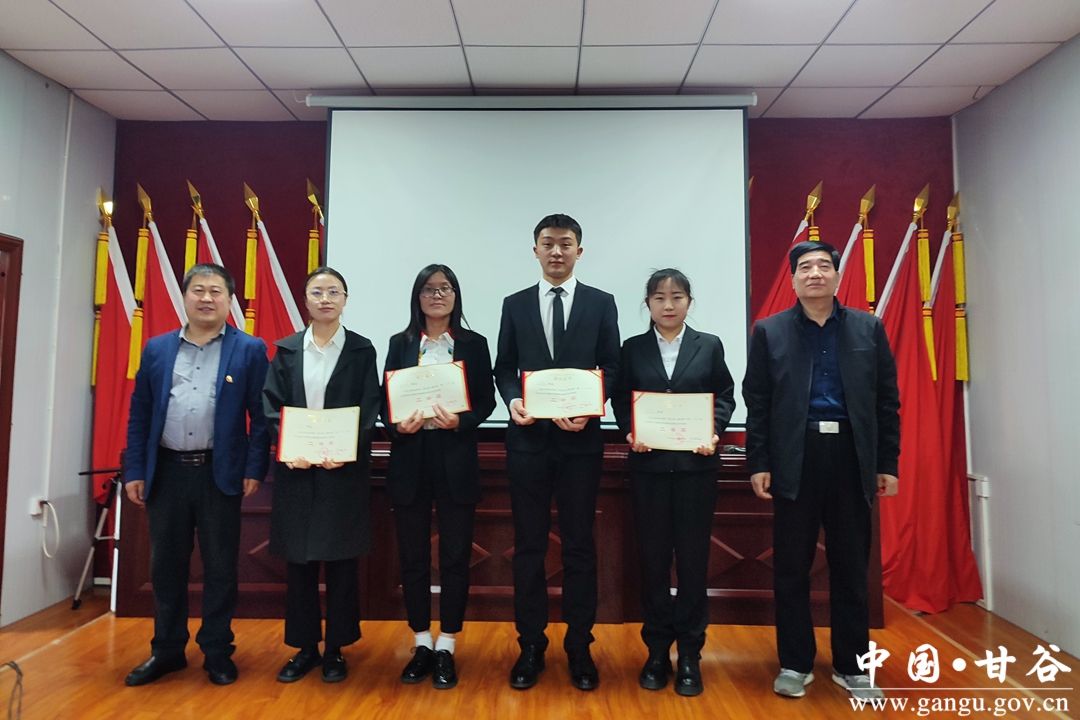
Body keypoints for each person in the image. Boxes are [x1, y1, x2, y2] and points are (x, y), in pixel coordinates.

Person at [742, 241, 900, 701]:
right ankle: (795, 663)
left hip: (852, 456)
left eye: (824, 266)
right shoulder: (769, 331)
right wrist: (759, 462)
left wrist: (886, 463)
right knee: (791, 566)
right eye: (805, 267)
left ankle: (853, 666)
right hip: (796, 455)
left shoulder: (868, 328)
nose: (815, 273)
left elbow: (886, 402)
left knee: (851, 566)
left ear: (837, 276)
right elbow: (758, 404)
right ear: (793, 279)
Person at [123, 263, 270, 687]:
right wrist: (135, 469)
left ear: (230, 300)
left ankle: (217, 651)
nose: (207, 298)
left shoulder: (249, 349)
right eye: (198, 290)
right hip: (166, 472)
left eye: (216, 291)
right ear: (185, 297)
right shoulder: (156, 348)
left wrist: (254, 468)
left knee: (220, 567)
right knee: (166, 567)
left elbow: (261, 417)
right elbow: (140, 413)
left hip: (218, 474)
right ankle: (167, 650)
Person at [493, 213, 620, 691]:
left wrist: (592, 406)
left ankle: (579, 647)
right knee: (528, 547)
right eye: (548, 243)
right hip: (528, 443)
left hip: (580, 443)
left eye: (565, 244)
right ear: (536, 251)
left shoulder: (601, 303)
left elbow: (611, 365)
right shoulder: (515, 304)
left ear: (579, 251)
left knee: (580, 546)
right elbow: (505, 367)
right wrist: (513, 401)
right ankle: (530, 646)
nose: (556, 251)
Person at [612, 269, 735, 697]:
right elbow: (621, 398)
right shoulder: (632, 348)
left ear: (689, 302)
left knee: (693, 564)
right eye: (660, 297)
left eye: (677, 296)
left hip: (695, 472)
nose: (668, 304)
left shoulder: (709, 345)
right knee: (653, 563)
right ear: (647, 303)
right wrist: (631, 430)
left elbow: (724, 395)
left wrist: (713, 432)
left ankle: (690, 655)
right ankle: (657, 652)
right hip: (648, 470)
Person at [262, 267, 380, 684]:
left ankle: (336, 650)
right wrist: (289, 447)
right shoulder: (287, 350)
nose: (325, 298)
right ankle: (305, 648)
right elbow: (271, 406)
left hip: (342, 472)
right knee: (300, 565)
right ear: (306, 300)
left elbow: (369, 407)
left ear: (345, 299)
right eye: (317, 292)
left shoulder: (362, 350)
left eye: (334, 291)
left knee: (342, 564)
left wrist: (344, 450)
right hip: (297, 471)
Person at [382, 264, 497, 690]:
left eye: (445, 288)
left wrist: (460, 421)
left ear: (455, 295)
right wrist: (398, 426)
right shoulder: (399, 344)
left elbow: (485, 401)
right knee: (412, 558)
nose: (437, 295)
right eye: (429, 289)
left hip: (455, 459)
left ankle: (447, 643)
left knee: (454, 557)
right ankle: (421, 642)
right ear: (418, 296)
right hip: (410, 459)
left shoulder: (473, 344)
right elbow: (385, 402)